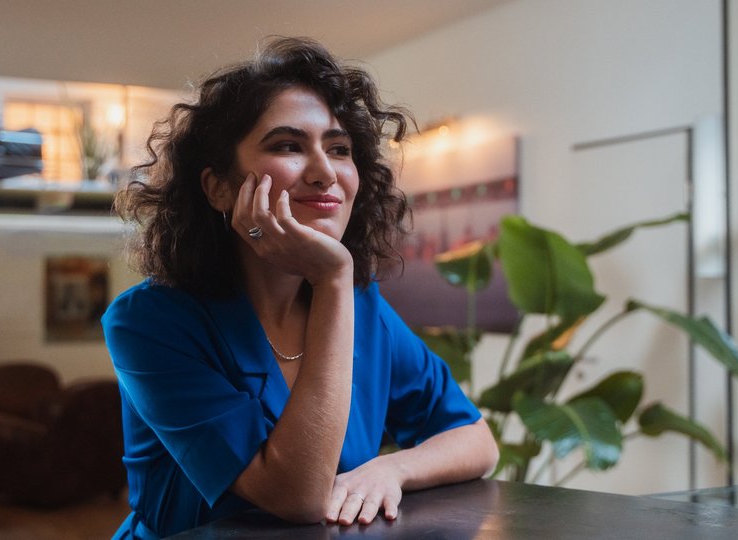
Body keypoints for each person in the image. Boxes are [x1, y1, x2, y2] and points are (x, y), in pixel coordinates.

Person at [103, 36, 499, 539]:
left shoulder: (362, 307)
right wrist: (332, 278)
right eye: (288, 146)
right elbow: (296, 496)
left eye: (339, 149)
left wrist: (391, 469)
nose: (324, 172)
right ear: (219, 187)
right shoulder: (149, 322)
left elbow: (475, 439)